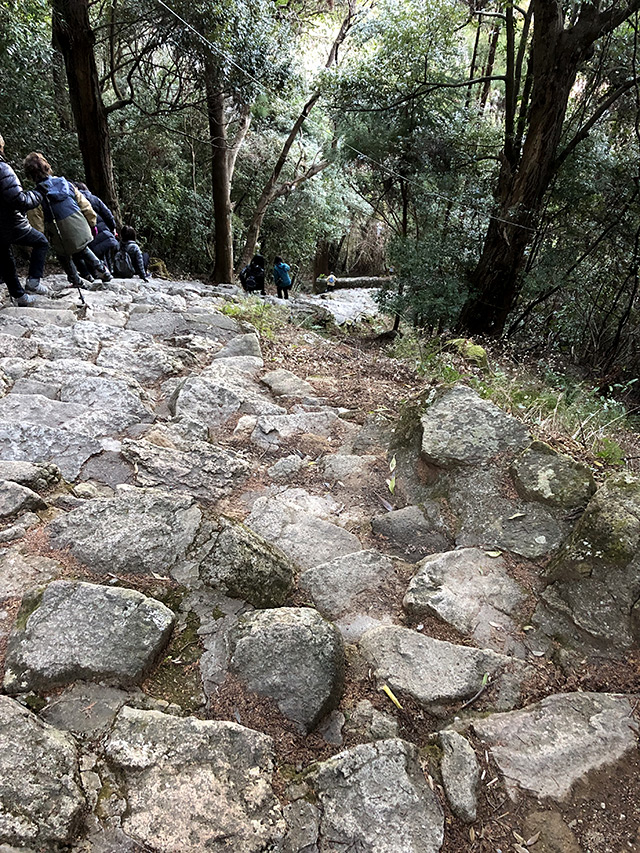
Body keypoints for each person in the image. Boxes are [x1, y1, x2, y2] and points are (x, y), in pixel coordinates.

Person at [23, 152, 112, 289]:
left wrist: (33, 246)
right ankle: (101, 269)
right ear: (47, 167)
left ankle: (75, 279)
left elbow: (37, 227)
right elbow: (85, 206)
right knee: (82, 247)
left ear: (29, 175)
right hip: (82, 229)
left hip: (61, 236)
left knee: (63, 255)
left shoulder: (36, 196)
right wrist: (92, 224)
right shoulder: (67, 184)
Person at [0, 134, 49, 305]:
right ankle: (33, 282)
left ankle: (19, 296)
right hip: (9, 223)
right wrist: (37, 195)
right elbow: (18, 200)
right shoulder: (3, 169)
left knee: (5, 259)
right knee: (41, 242)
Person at [74, 182, 118, 272]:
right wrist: (112, 228)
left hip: (89, 235)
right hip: (105, 233)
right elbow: (108, 215)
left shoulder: (75, 202)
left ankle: (99, 276)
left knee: (95, 260)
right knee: (107, 258)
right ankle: (109, 276)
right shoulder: (94, 199)